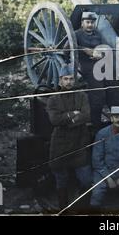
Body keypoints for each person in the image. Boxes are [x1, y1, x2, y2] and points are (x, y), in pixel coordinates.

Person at [46, 65, 93, 209]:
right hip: (60, 143)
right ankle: (63, 208)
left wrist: (67, 120)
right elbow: (54, 120)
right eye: (65, 79)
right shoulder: (53, 99)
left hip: (79, 142)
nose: (68, 82)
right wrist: (73, 114)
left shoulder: (82, 96)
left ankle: (82, 207)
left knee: (86, 179)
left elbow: (86, 115)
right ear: (60, 81)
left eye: (71, 79)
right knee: (61, 179)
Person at [73, 11, 106, 134]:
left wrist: (101, 54)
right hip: (84, 66)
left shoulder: (98, 34)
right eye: (87, 22)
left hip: (99, 64)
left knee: (112, 86)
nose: (90, 25)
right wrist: (84, 50)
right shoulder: (76, 34)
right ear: (82, 23)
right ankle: (95, 124)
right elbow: (67, 48)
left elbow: (104, 47)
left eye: (92, 22)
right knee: (97, 95)